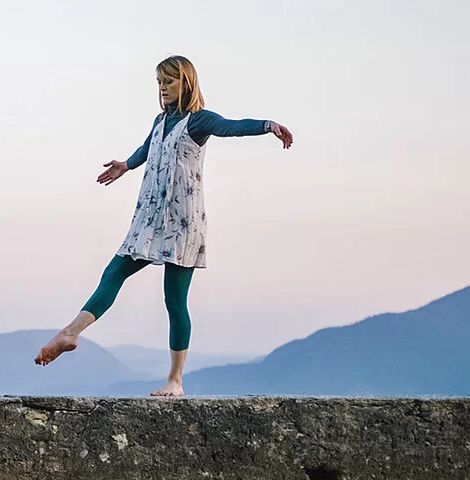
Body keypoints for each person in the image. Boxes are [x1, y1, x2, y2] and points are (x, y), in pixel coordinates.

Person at [33, 55, 294, 397]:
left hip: (182, 221)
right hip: (150, 216)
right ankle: (71, 332)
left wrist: (266, 125)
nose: (162, 88)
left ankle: (175, 381)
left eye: (168, 82)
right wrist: (126, 165)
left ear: (185, 82)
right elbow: (148, 147)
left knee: (174, 300)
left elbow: (230, 126)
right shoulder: (160, 121)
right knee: (115, 271)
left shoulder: (198, 121)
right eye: (159, 83)